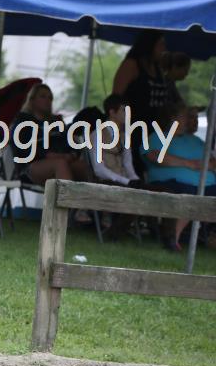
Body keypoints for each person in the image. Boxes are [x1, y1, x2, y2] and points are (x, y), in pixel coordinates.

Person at [141, 101, 216, 251]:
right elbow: (156, 156)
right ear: (172, 118)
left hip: (206, 186)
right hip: (172, 184)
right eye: (185, 116)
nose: (189, 119)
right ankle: (173, 238)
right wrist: (188, 163)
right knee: (192, 196)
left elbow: (213, 161)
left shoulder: (196, 140)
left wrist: (203, 165)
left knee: (199, 194)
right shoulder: (157, 137)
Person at [11, 83, 91, 193]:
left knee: (82, 166)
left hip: (61, 159)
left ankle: (90, 202)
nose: (47, 100)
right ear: (32, 100)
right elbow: (22, 148)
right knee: (60, 164)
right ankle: (67, 202)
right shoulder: (22, 121)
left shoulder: (56, 122)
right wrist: (47, 155)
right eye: (43, 96)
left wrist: (72, 154)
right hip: (31, 166)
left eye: (50, 98)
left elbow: (70, 142)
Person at [112, 30, 170, 128]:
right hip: (134, 126)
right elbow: (115, 99)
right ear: (150, 44)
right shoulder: (131, 65)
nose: (164, 49)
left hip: (156, 128)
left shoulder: (157, 68)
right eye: (160, 45)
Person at [89, 94, 139, 187]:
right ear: (112, 112)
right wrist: (125, 181)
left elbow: (128, 164)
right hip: (107, 184)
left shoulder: (124, 136)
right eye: (124, 110)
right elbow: (98, 169)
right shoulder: (97, 134)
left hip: (124, 183)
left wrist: (135, 180)